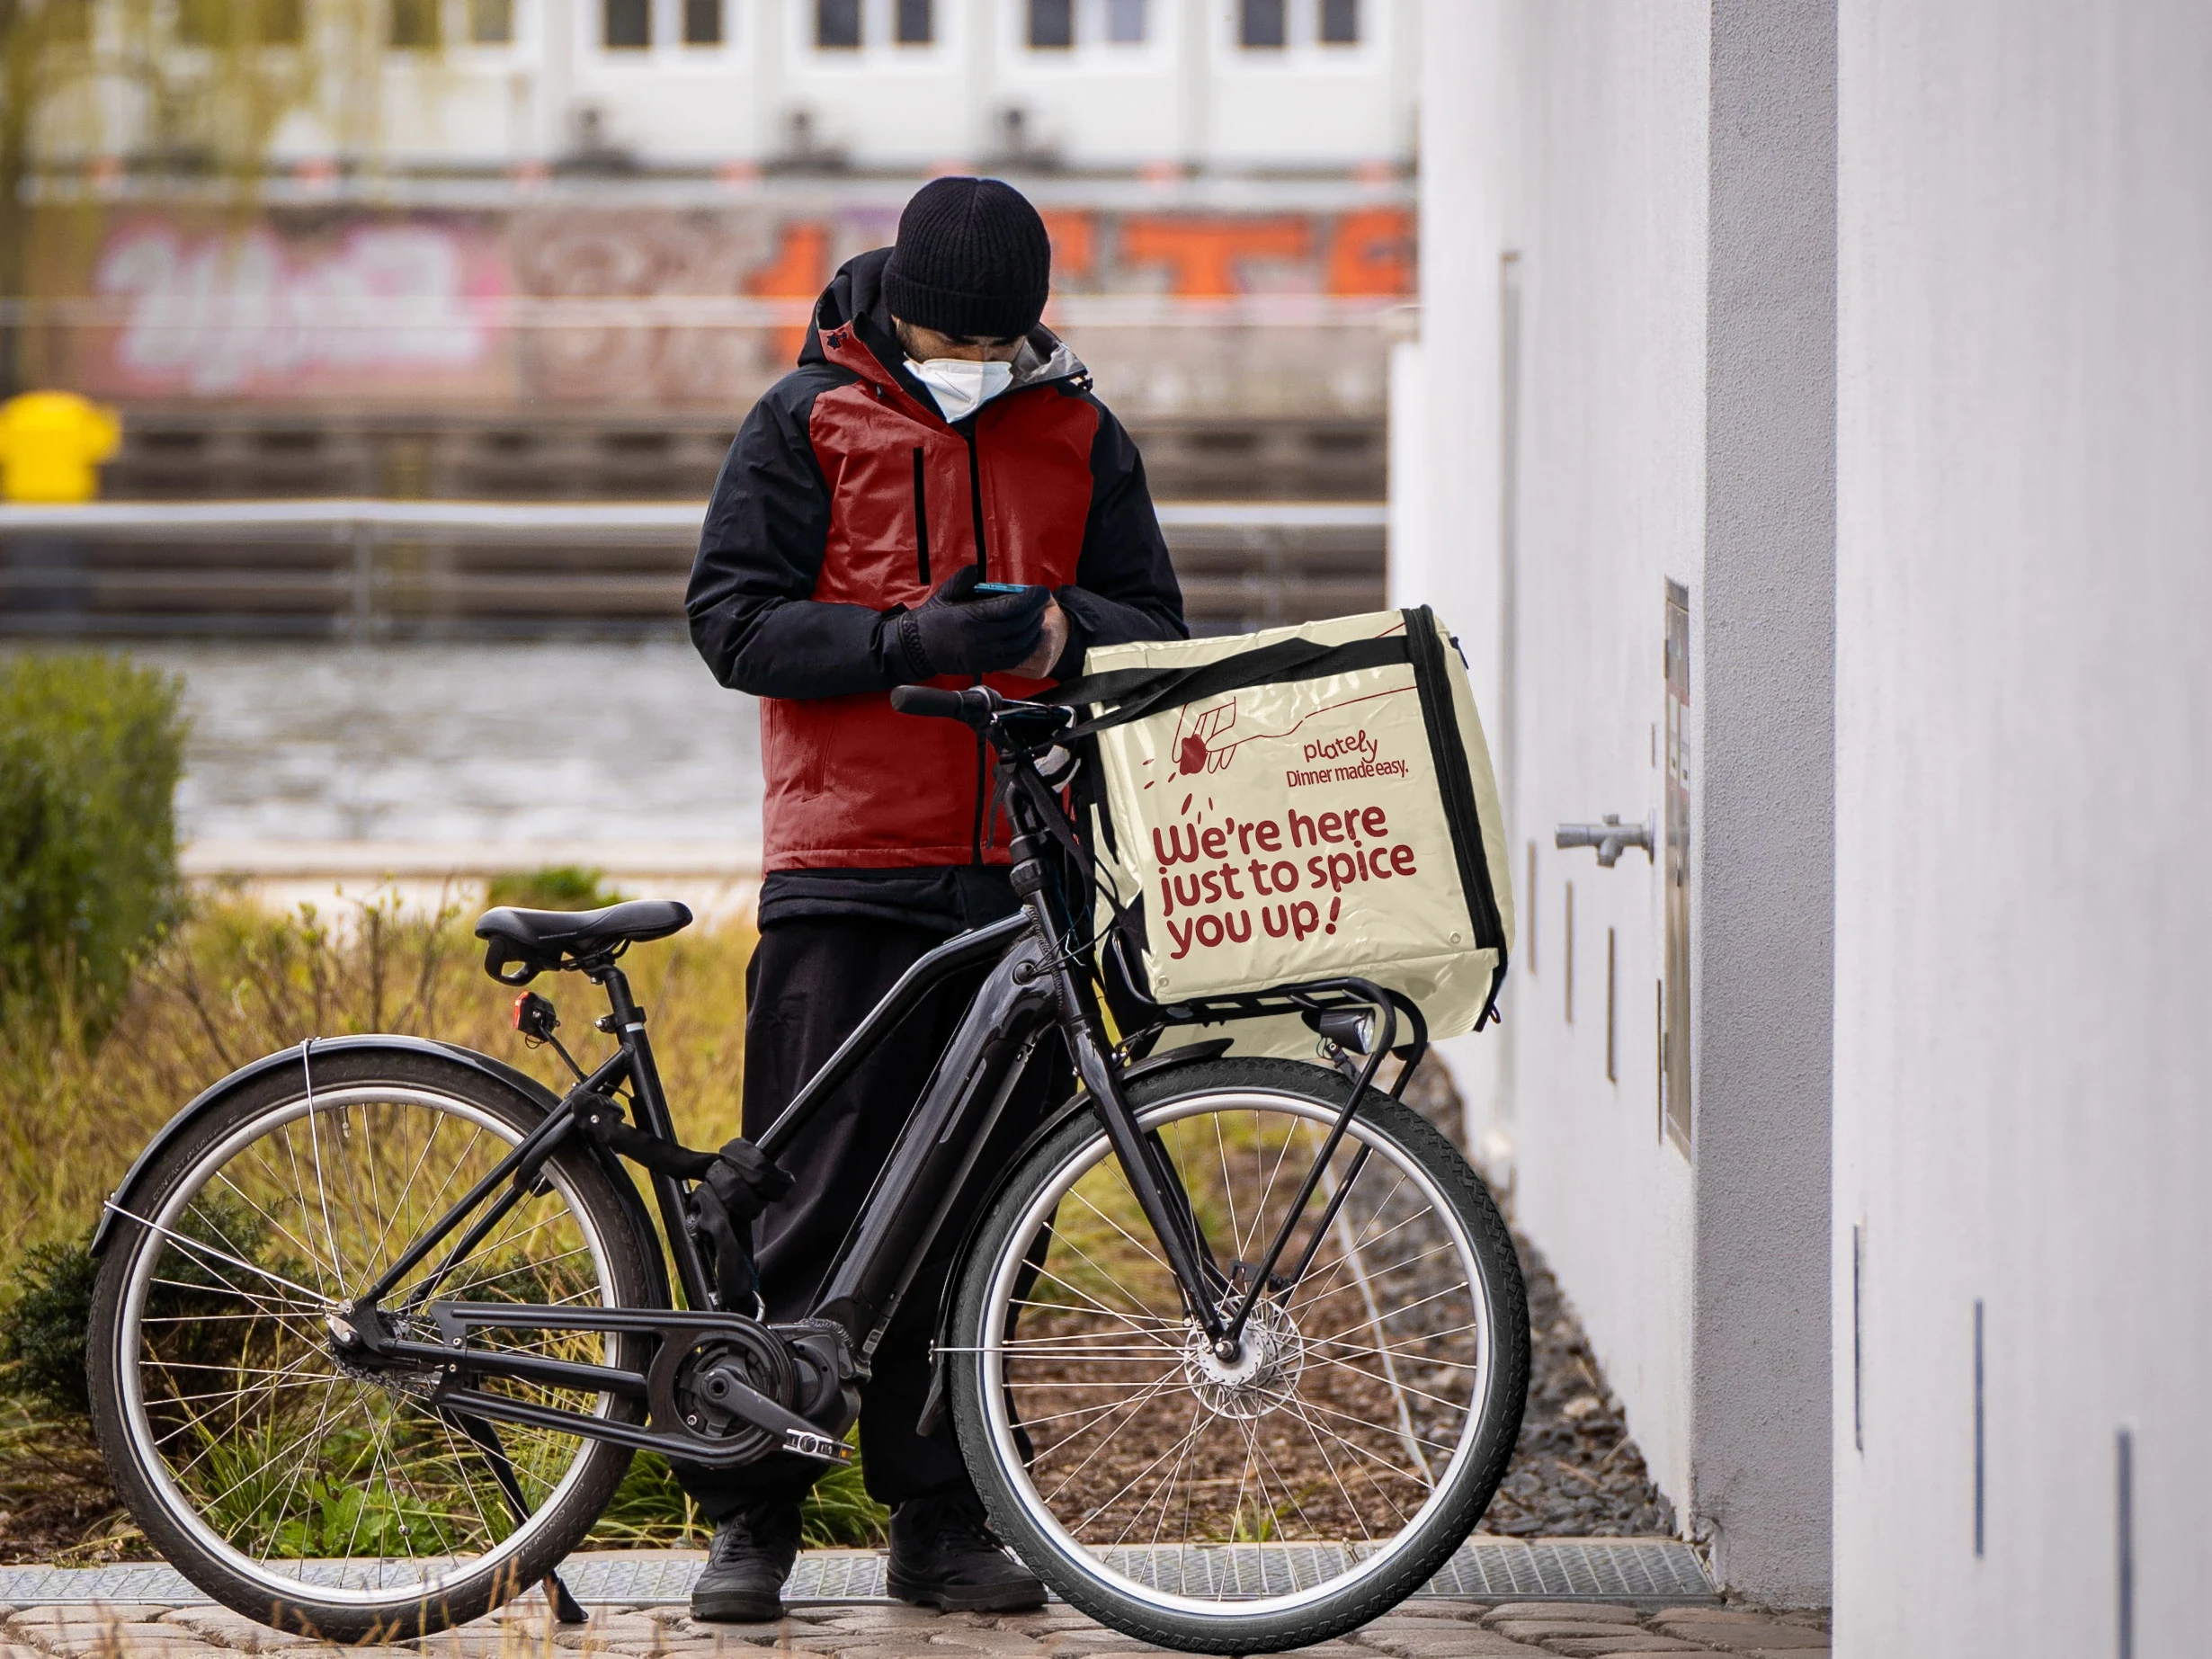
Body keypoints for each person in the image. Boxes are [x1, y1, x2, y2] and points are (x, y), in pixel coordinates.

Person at [683, 176, 1185, 1622]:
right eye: (941, 333)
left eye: (992, 338)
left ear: (1029, 326)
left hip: (1024, 871)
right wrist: (902, 634)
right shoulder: (804, 420)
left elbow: (1157, 631)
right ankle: (751, 1516)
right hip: (845, 866)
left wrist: (1049, 628)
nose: (967, 357)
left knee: (982, 1211)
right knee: (799, 1203)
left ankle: (941, 1520)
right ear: (894, 308)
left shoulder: (1083, 435)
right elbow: (731, 621)